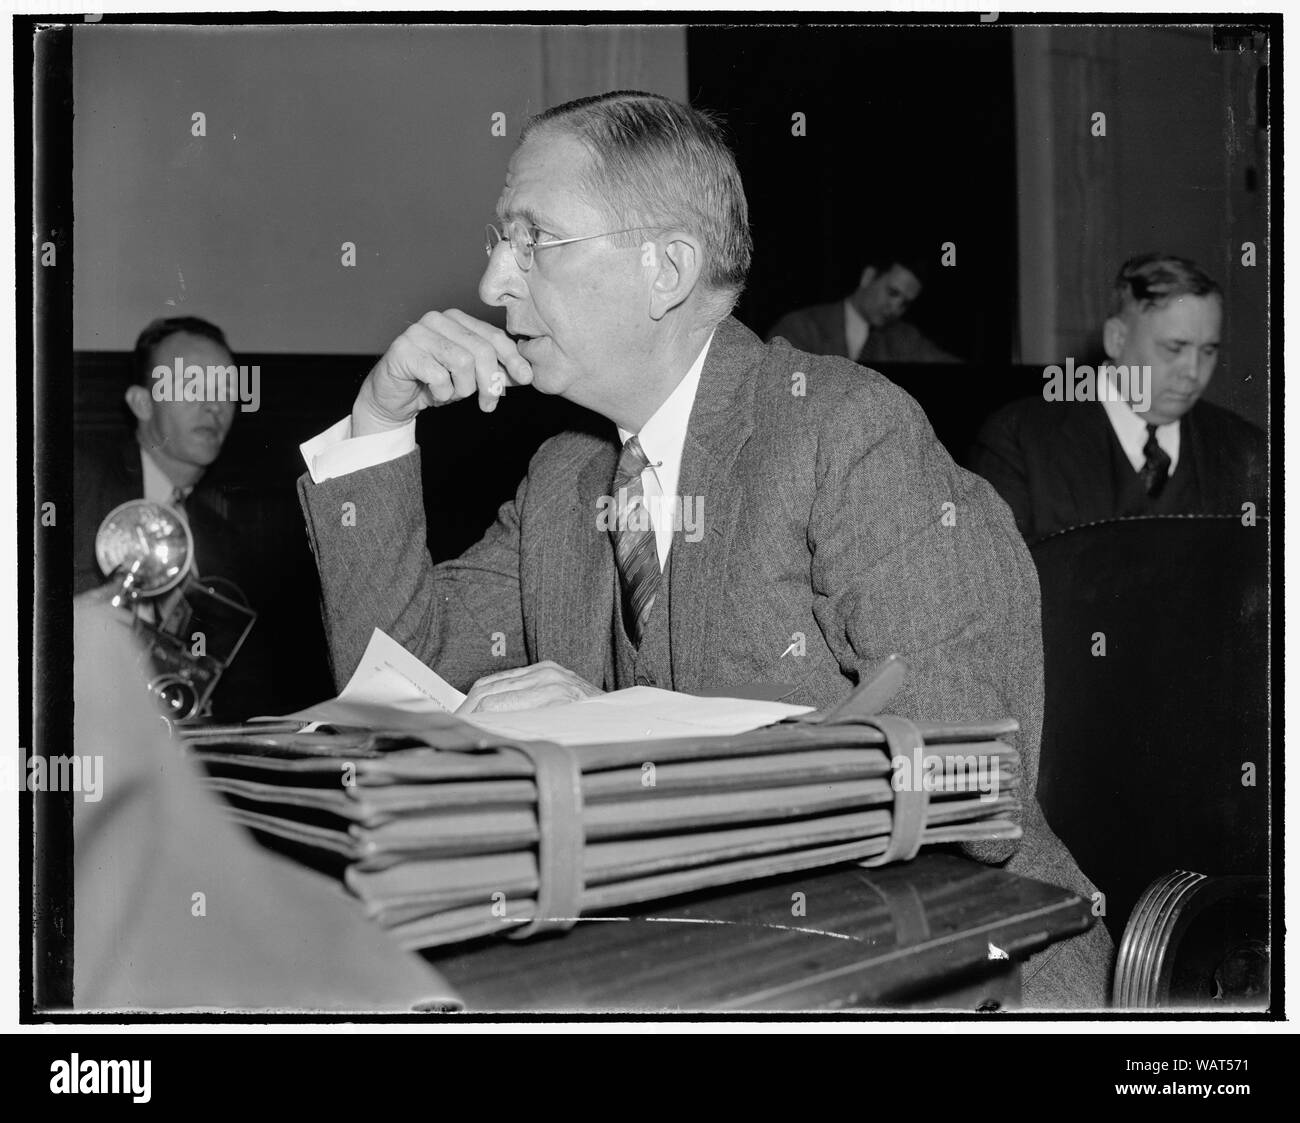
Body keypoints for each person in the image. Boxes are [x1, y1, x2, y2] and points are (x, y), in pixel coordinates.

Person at [296, 90, 1111, 1007]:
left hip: (949, 971)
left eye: (534, 241)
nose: (492, 283)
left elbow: (970, 774)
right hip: (694, 969)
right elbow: (396, 682)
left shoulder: (843, 429)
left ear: (667, 269)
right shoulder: (566, 478)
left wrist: (628, 724)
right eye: (498, 239)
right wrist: (378, 422)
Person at [971, 253, 1267, 543]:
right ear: (1116, 339)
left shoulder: (1246, 451)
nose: (1192, 371)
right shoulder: (1020, 440)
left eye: (1208, 351)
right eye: (1174, 348)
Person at [73, 316, 269, 718]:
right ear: (142, 403)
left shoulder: (228, 540)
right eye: (192, 385)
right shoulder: (72, 484)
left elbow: (246, 690)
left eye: (226, 389)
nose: (214, 404)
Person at [766, 249, 959, 364]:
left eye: (905, 303)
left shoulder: (904, 338)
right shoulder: (802, 326)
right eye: (892, 293)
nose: (895, 308)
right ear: (868, 277)